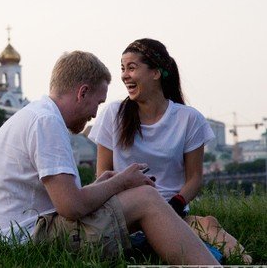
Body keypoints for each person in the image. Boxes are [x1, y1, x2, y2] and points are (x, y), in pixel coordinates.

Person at [0, 50, 219, 265]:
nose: (95, 114)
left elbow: (65, 200)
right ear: (82, 92)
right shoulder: (47, 122)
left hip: (12, 233)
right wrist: (121, 182)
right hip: (28, 238)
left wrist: (102, 184)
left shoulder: (37, 115)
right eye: (98, 102)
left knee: (135, 199)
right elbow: (71, 207)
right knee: (146, 198)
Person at [90, 38, 251, 264]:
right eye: (123, 68)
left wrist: (174, 205)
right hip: (124, 211)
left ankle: (242, 259)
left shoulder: (189, 119)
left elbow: (194, 178)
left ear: (156, 73)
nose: (125, 75)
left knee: (206, 241)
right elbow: (102, 175)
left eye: (132, 68)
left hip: (173, 210)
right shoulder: (113, 114)